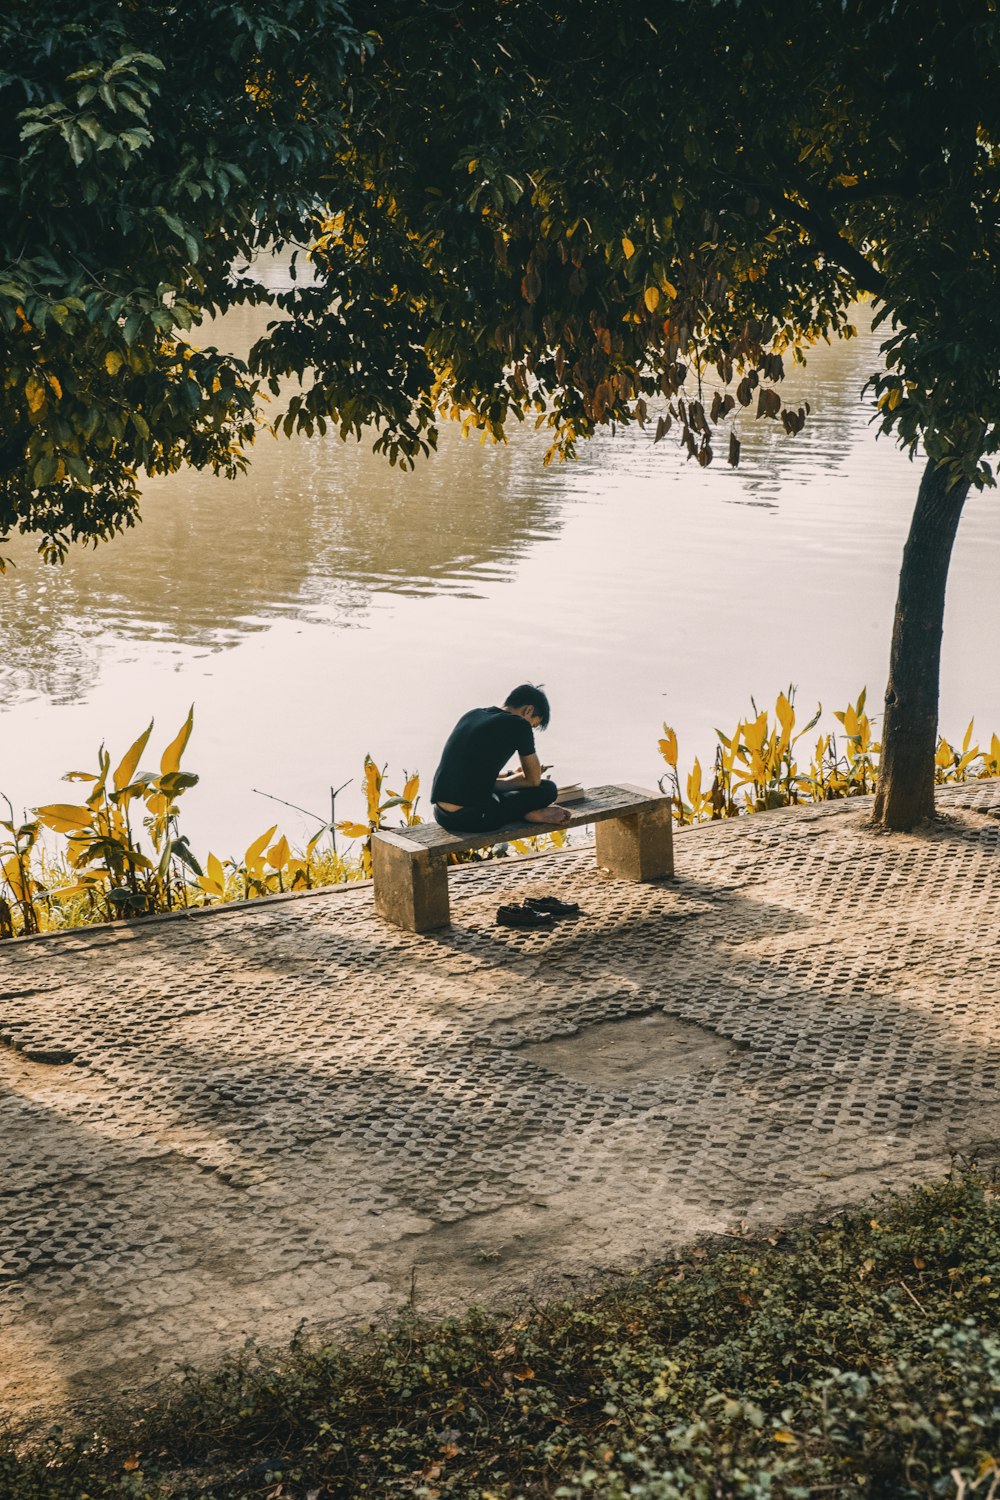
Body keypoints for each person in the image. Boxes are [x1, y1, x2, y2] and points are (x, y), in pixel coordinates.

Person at [431, 684, 571, 834]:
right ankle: (526, 813)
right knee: (547, 789)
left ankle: (521, 811)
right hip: (473, 818)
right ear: (528, 710)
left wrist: (512, 775)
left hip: (442, 815)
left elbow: (474, 778)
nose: (530, 729)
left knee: (498, 795)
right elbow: (533, 781)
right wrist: (527, 775)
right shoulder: (519, 725)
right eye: (533, 724)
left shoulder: (473, 714)